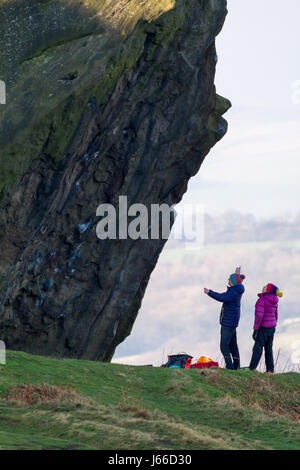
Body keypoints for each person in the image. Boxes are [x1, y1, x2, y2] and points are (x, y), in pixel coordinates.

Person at [204, 267, 245, 370]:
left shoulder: (232, 293)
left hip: (228, 323)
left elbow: (221, 297)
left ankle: (230, 367)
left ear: (234, 282)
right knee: (233, 345)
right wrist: (237, 274)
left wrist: (209, 292)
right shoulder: (238, 289)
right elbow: (238, 282)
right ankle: (236, 367)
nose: (228, 280)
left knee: (224, 347)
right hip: (232, 322)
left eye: (229, 279)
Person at [249, 283, 283, 374]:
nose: (263, 287)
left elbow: (259, 316)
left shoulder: (262, 300)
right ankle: (270, 370)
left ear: (268, 290)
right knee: (268, 348)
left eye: (265, 287)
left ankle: (252, 369)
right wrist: (273, 324)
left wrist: (255, 329)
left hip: (263, 328)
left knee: (257, 348)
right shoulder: (275, 300)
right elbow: (276, 315)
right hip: (272, 327)